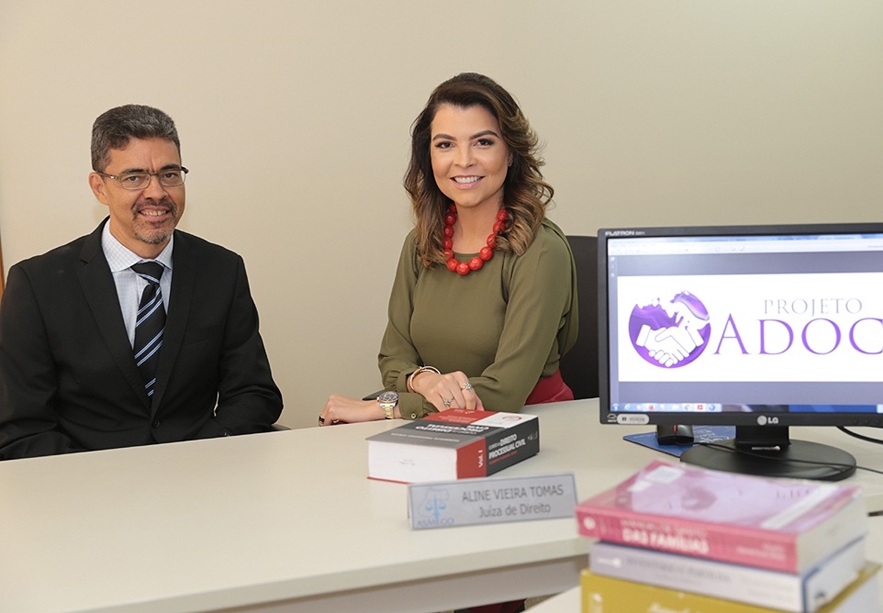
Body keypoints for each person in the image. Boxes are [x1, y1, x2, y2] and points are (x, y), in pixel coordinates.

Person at [321, 71, 577, 613]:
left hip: (524, 436)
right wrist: (422, 384)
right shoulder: (421, 243)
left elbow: (505, 391)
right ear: (428, 159)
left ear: (511, 152)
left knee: (471, 590)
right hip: (435, 430)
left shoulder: (541, 252)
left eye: (482, 141)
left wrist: (385, 407)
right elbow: (393, 355)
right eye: (445, 144)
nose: (463, 160)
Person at [0, 104, 283, 460]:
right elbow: (21, 427)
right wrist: (100, 481)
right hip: (86, 489)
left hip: (201, 477)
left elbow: (254, 393)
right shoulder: (37, 285)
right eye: (134, 177)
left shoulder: (221, 270)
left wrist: (202, 456)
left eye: (169, 174)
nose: (157, 193)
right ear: (99, 187)